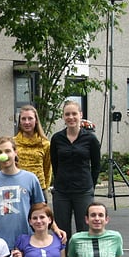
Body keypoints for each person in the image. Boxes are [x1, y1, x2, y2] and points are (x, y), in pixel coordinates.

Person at [50, 100, 101, 243]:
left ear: (81, 115)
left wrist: (91, 186)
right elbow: (55, 163)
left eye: (74, 114)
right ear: (63, 117)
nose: (71, 117)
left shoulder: (90, 139)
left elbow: (96, 165)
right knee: (62, 232)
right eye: (67, 114)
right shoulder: (57, 138)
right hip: (62, 192)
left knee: (84, 230)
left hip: (83, 191)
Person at [14, 105, 51, 198]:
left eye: (30, 118)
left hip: (38, 188)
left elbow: (48, 168)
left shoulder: (45, 144)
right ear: (20, 122)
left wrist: (45, 187)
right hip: (18, 187)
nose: (27, 122)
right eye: (23, 119)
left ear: (36, 120)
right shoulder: (13, 143)